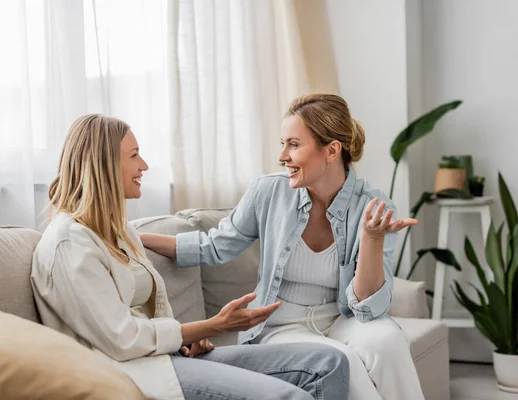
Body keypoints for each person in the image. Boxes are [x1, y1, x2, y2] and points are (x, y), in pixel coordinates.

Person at [30, 114, 350, 400]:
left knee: (328, 363)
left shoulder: (116, 232)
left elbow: (148, 315)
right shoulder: (69, 245)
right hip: (132, 372)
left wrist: (183, 340)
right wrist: (206, 327)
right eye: (134, 155)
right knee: (287, 396)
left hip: (166, 358)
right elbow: (121, 340)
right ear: (104, 165)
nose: (144, 166)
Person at [140, 94, 425, 400]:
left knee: (389, 342)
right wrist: (133, 237)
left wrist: (372, 238)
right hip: (281, 325)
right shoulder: (268, 192)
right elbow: (213, 247)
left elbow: (370, 306)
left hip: (344, 318)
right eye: (283, 143)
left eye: (293, 144)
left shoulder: (373, 206)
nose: (282, 156)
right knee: (345, 363)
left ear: (331, 150)